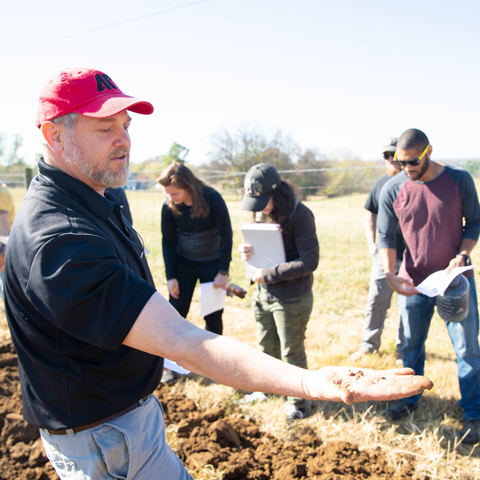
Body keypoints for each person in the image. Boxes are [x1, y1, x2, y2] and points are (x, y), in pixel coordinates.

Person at [4, 68, 433, 480]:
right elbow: (185, 342)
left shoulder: (95, 197)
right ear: (54, 135)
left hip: (121, 419)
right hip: (105, 439)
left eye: (126, 125)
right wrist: (308, 380)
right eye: (105, 129)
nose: (124, 141)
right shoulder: (59, 240)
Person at [377, 128, 480, 443]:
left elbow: (474, 222)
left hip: (455, 281)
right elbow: (384, 236)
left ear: (429, 151)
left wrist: (462, 255)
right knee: (411, 345)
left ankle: (474, 413)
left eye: (412, 162)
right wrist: (391, 274)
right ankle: (407, 400)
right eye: (401, 162)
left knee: (466, 349)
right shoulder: (393, 189)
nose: (406, 168)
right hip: (413, 283)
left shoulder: (459, 180)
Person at [239, 163, 319, 421]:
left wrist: (269, 274)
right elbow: (263, 251)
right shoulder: (261, 214)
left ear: (279, 193)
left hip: (291, 298)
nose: (258, 208)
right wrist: (248, 253)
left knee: (292, 352)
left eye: (263, 201)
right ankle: (267, 390)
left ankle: (299, 403)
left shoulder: (301, 215)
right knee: (266, 347)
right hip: (263, 294)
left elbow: (310, 261)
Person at [158, 162, 232, 336]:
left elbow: (226, 235)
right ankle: (171, 357)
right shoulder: (168, 207)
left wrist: (223, 271)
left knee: (213, 316)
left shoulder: (212, 198)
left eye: (175, 193)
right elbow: (168, 242)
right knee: (176, 313)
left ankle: (214, 359)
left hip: (212, 264)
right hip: (184, 264)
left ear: (188, 187)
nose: (171, 198)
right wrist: (171, 276)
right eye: (167, 194)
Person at [349, 137, 405, 365]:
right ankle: (369, 346)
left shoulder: (416, 183)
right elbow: (369, 215)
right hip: (384, 256)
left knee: (407, 306)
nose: (391, 159)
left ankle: (404, 350)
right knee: (376, 301)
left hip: (411, 258)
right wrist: (372, 245)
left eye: (394, 154)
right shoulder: (380, 184)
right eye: (386, 155)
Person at [0, 183, 15, 301]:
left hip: (3, 242)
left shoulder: (1, 193)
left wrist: (2, 250)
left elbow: (3, 225)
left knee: (4, 283)